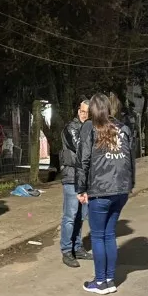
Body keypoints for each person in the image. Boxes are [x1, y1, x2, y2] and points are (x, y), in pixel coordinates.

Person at [76, 93, 134, 295]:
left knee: (98, 236)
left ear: (92, 110)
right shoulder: (123, 128)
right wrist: (130, 184)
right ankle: (110, 278)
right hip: (121, 189)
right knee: (109, 234)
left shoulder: (89, 127)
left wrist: (80, 189)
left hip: (100, 190)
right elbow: (130, 158)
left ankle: (100, 281)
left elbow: (83, 161)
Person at [59, 99, 93, 267]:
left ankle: (77, 247)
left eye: (87, 112)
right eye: (82, 111)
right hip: (72, 176)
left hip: (85, 178)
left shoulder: (90, 128)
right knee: (70, 215)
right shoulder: (70, 129)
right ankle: (66, 250)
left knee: (81, 215)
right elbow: (81, 149)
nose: (83, 114)